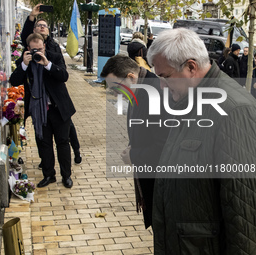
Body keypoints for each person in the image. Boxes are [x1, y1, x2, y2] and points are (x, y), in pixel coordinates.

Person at [147, 28, 256, 254]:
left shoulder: (233, 111)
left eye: (165, 77)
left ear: (191, 67)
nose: (162, 86)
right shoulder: (191, 100)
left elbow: (243, 215)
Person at [100, 54, 170, 229]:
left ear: (131, 77)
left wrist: (135, 156)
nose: (116, 93)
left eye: (117, 88)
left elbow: (165, 147)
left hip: (162, 186)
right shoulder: (140, 88)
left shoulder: (155, 94)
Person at [10, 33, 75, 188]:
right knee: (44, 144)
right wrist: (24, 65)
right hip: (40, 111)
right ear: (28, 49)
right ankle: (48, 175)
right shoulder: (25, 60)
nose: (37, 52)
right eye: (34, 50)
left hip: (58, 108)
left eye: (40, 49)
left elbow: (64, 76)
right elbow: (14, 81)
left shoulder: (54, 56)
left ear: (44, 46)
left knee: (63, 143)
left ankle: (66, 176)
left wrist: (47, 64)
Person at [20, 3, 82, 164]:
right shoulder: (29, 46)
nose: (41, 28)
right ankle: (46, 164)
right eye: (38, 25)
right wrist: (32, 16)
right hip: (39, 103)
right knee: (44, 138)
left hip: (56, 99)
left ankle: (76, 150)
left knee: (67, 132)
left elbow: (62, 73)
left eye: (44, 26)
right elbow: (25, 37)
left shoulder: (53, 47)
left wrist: (47, 63)